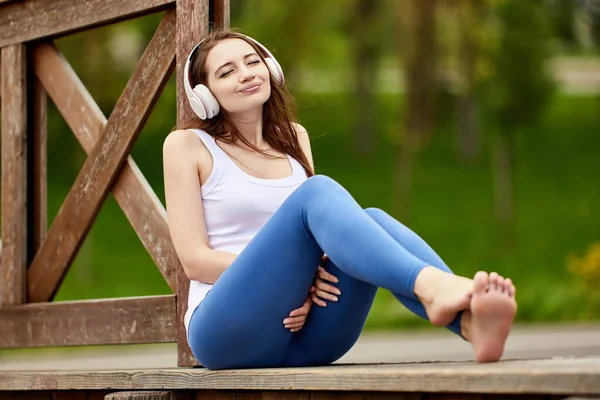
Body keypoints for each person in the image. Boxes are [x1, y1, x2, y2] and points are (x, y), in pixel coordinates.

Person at [162, 29, 517, 370]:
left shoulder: (294, 139)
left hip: (308, 336)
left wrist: (305, 279)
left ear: (270, 69)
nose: (246, 74)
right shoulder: (187, 145)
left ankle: (471, 325)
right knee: (316, 192)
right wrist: (294, 276)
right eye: (227, 72)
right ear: (205, 95)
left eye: (252, 61)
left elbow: (320, 234)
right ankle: (433, 286)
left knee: (374, 219)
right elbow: (194, 260)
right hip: (227, 331)